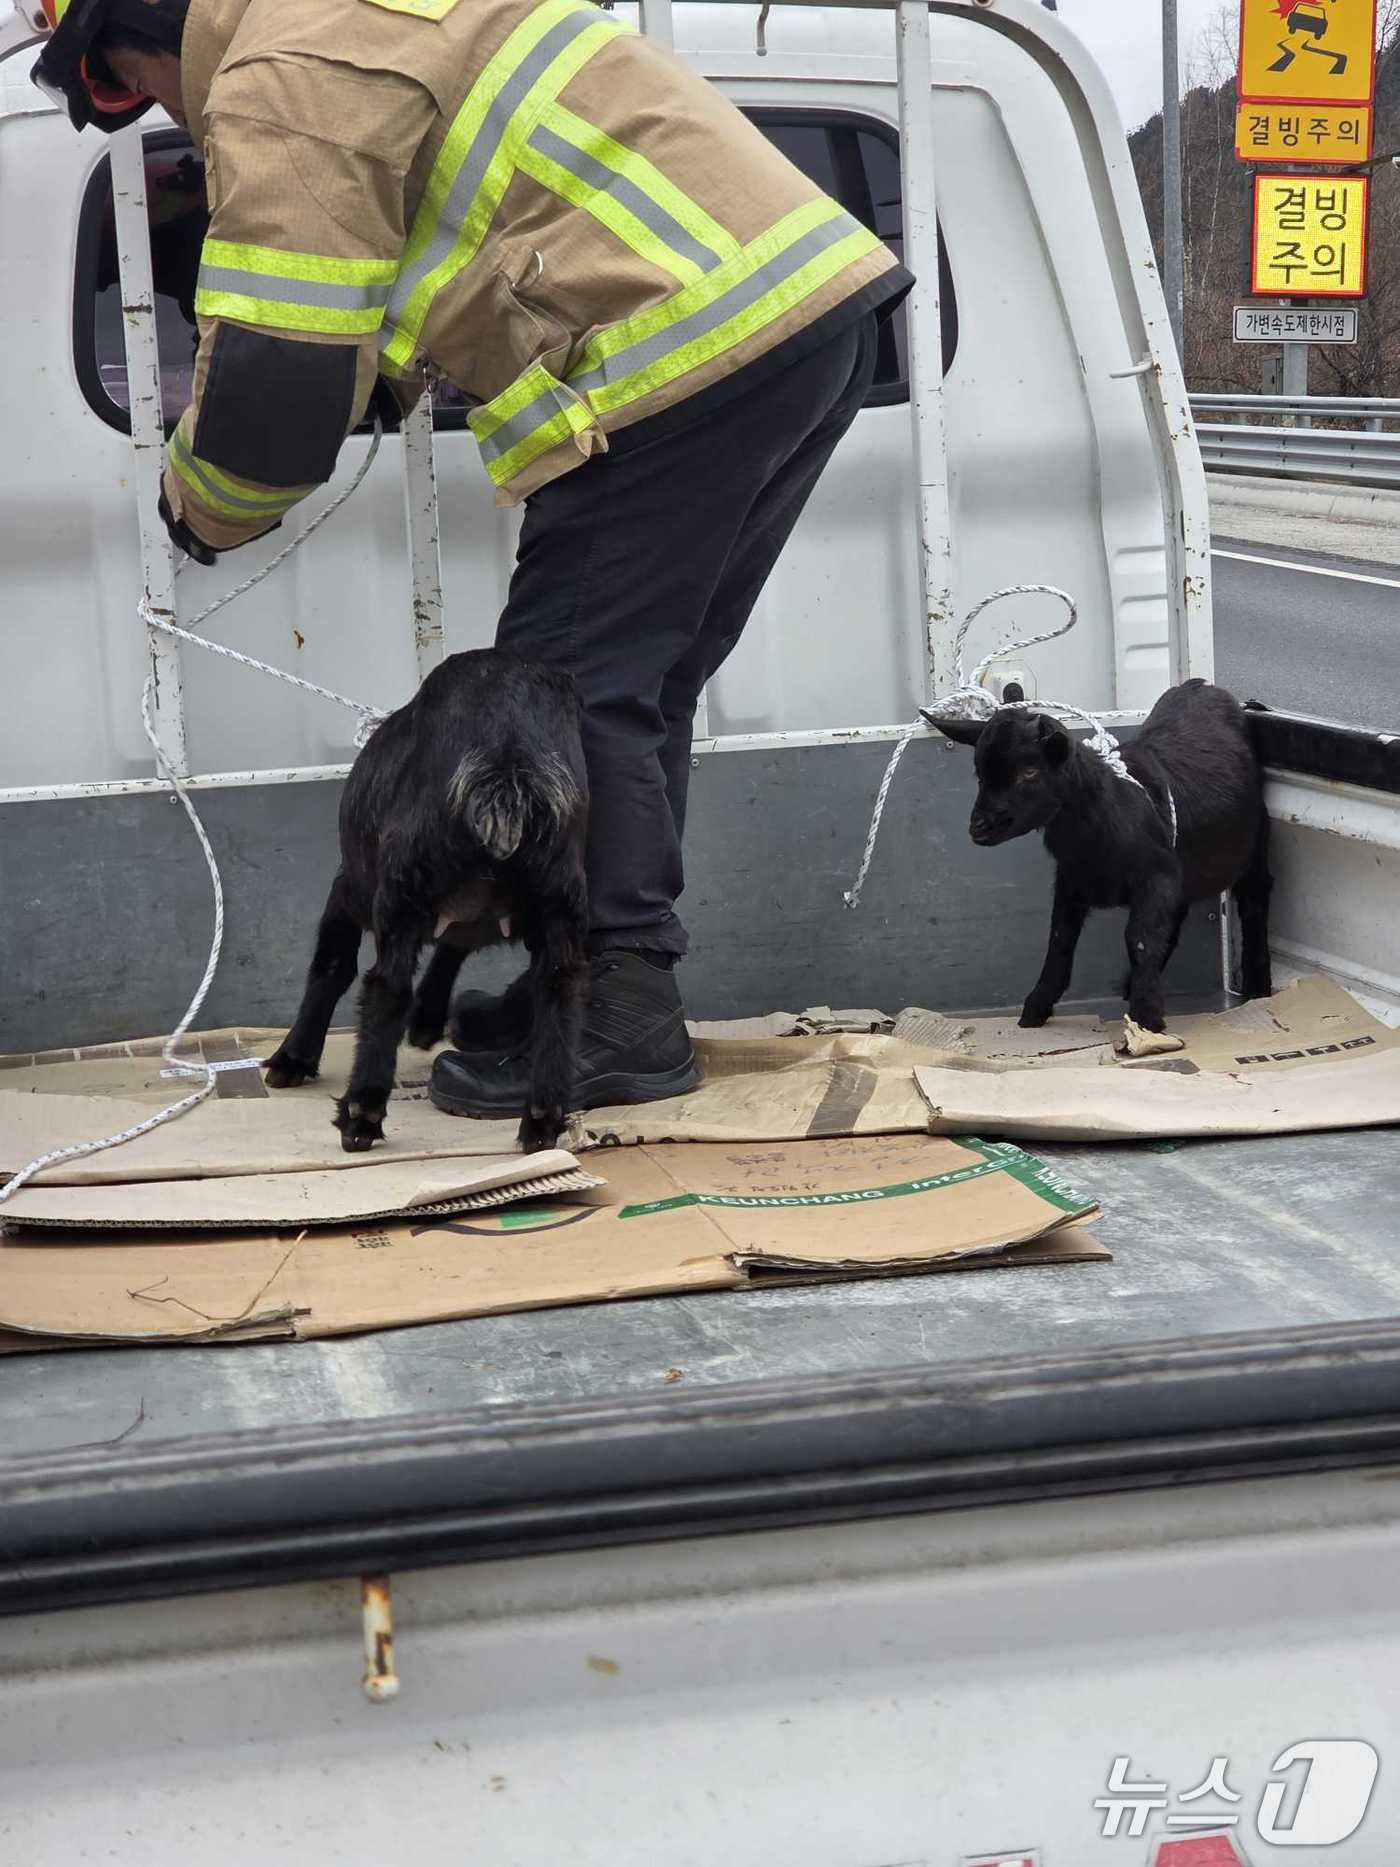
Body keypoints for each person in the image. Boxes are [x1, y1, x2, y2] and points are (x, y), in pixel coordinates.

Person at [28, 0, 911, 1116]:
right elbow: (438, 243)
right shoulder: (356, 15)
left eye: (132, 87)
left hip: (672, 348)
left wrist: (198, 504)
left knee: (560, 695)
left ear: (136, 33)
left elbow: (277, 374)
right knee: (639, 687)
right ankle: (585, 989)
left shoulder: (277, 75)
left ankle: (618, 1015)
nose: (163, 109)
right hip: (796, 308)